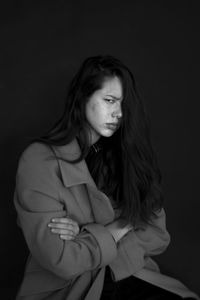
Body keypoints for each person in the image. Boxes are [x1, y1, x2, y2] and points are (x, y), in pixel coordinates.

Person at [14, 55, 199, 300]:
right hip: (68, 289)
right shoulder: (39, 159)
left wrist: (84, 232)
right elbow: (62, 260)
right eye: (109, 100)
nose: (119, 113)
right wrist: (125, 224)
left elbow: (158, 235)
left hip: (126, 273)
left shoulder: (126, 157)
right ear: (83, 97)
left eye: (123, 104)